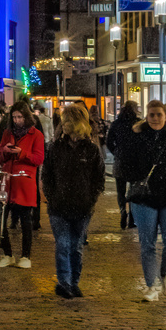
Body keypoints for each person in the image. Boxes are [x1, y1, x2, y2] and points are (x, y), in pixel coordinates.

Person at [120, 99, 166, 302]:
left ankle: (164, 273)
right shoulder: (136, 138)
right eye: (151, 115)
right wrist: (136, 177)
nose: (155, 118)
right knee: (147, 244)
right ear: (146, 116)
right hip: (144, 198)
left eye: (159, 114)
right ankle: (151, 285)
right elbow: (124, 163)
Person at [42, 103, 106, 299]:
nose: (66, 124)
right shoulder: (56, 147)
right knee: (63, 244)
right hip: (59, 206)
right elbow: (47, 175)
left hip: (82, 206)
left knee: (76, 246)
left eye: (70, 119)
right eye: (65, 120)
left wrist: (90, 198)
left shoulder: (91, 149)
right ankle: (64, 283)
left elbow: (99, 177)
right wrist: (52, 196)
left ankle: (74, 281)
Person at [0, 102, 45, 269]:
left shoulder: (36, 134)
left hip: (24, 181)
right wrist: (6, 151)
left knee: (25, 221)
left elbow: (38, 158)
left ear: (26, 117)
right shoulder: (7, 133)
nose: (17, 120)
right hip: (7, 181)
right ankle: (7, 254)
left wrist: (21, 153)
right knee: (0, 220)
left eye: (19, 117)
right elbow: (0, 156)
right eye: (14, 117)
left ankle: (25, 256)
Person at [106, 100, 140, 230]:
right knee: (133, 190)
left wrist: (116, 152)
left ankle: (122, 211)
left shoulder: (116, 124)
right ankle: (132, 218)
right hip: (134, 161)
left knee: (120, 191)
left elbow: (109, 141)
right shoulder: (138, 123)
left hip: (120, 160)